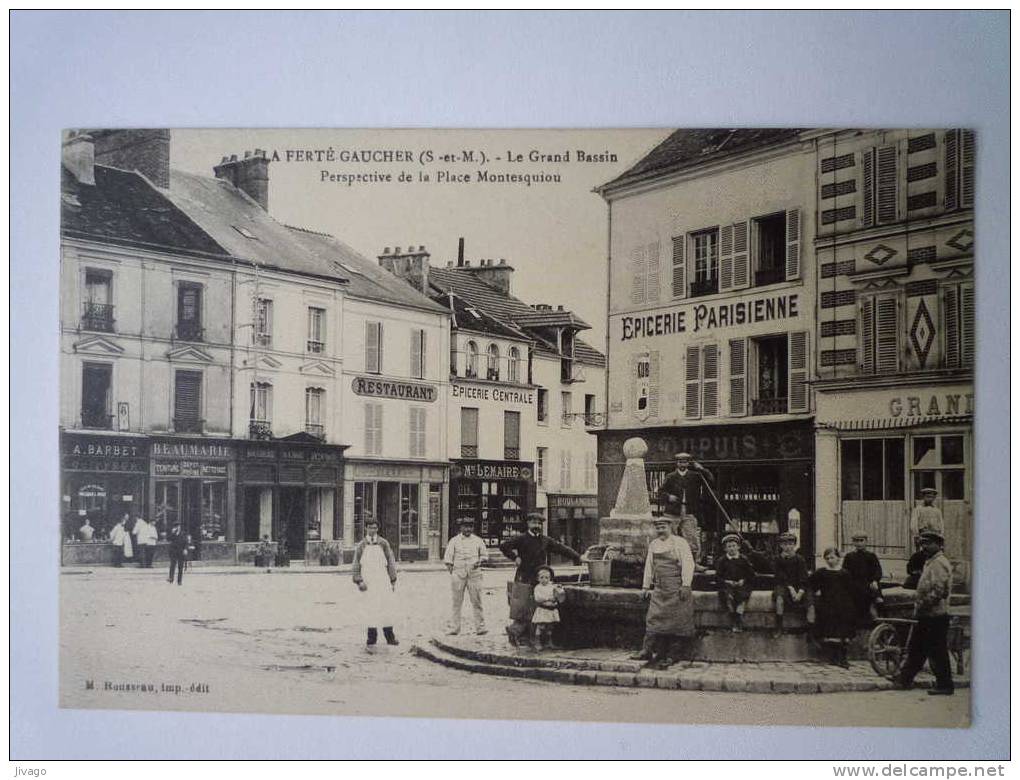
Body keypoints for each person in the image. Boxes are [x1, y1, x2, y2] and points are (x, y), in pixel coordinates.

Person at [499, 512, 582, 647]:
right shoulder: (521, 539)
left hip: (541, 577)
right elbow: (503, 546)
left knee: (537, 607)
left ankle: (530, 637)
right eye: (534, 523)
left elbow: (560, 548)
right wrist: (514, 557)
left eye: (539, 523)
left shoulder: (545, 540)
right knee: (523, 607)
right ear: (528, 524)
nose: (536, 525)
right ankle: (516, 633)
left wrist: (577, 556)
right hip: (524, 576)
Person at [894, 530, 954, 695]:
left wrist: (923, 604)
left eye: (928, 543)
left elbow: (939, 590)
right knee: (917, 648)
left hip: (935, 615)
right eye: (922, 543)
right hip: (927, 614)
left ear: (938, 544)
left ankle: (945, 685)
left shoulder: (939, 563)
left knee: (937, 651)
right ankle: (904, 680)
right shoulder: (930, 561)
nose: (924, 547)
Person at [632, 516, 696, 669]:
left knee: (677, 622)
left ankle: (673, 655)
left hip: (676, 588)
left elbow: (688, 564)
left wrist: (686, 585)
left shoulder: (680, 543)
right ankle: (646, 650)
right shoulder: (653, 544)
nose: (660, 530)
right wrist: (646, 587)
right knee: (653, 619)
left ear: (670, 527)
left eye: (663, 527)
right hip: (659, 589)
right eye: (658, 528)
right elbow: (649, 566)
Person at [657, 453, 714, 563]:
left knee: (691, 538)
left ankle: (692, 563)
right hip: (672, 512)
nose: (682, 464)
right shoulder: (670, 477)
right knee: (670, 537)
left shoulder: (695, 476)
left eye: (684, 462)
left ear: (688, 463)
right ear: (677, 463)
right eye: (680, 462)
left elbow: (711, 480)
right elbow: (660, 492)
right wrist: (668, 497)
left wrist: (702, 469)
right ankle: (671, 562)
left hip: (689, 511)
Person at [352, 516, 399, 648]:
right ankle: (371, 637)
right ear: (366, 528)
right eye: (370, 527)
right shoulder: (361, 545)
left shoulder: (383, 543)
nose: (372, 530)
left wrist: (392, 580)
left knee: (386, 608)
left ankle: (390, 637)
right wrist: (359, 581)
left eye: (375, 527)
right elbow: (356, 564)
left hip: (382, 579)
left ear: (378, 528)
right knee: (370, 608)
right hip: (368, 580)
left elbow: (390, 561)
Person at [807, 547, 856, 668]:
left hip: (843, 606)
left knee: (843, 632)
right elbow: (810, 584)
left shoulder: (844, 573)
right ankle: (833, 657)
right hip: (828, 605)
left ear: (838, 558)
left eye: (832, 557)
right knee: (830, 631)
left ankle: (843, 658)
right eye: (827, 558)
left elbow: (851, 590)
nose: (830, 560)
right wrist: (816, 593)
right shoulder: (822, 572)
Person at [444, 517, 488, 636]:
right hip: (458, 574)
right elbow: (448, 559)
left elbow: (485, 556)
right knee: (456, 602)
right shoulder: (454, 541)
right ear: (461, 527)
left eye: (470, 526)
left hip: (474, 574)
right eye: (465, 526)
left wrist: (480, 561)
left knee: (477, 601)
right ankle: (455, 628)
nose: (468, 529)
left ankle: (481, 627)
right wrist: (453, 572)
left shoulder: (478, 540)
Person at [770, 531, 810, 636]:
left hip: (799, 586)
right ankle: (779, 627)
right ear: (780, 545)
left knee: (810, 601)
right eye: (785, 544)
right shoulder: (777, 559)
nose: (788, 547)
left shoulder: (800, 559)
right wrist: (791, 589)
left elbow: (804, 577)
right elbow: (780, 576)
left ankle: (810, 629)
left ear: (794, 545)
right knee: (779, 598)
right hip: (783, 585)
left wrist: (800, 592)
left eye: (790, 544)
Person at [715, 533, 755, 632]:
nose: (732, 549)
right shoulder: (722, 561)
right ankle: (734, 619)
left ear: (738, 547)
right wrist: (727, 581)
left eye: (734, 546)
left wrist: (743, 580)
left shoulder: (743, 559)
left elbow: (751, 574)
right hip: (727, 585)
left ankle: (738, 618)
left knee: (742, 597)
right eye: (729, 547)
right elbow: (718, 577)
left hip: (742, 585)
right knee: (729, 597)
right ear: (725, 549)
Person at [843, 533, 884, 625]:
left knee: (873, 601)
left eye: (861, 541)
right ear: (853, 542)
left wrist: (874, 580)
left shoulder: (871, 556)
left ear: (866, 542)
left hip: (868, 583)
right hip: (854, 584)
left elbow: (878, 571)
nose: (859, 543)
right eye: (856, 541)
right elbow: (845, 572)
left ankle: (878, 622)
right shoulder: (849, 556)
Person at [531, 565, 565, 651]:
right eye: (541, 577)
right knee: (541, 626)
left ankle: (549, 642)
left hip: (551, 609)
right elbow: (537, 598)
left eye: (546, 577)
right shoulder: (538, 588)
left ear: (550, 578)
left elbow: (557, 594)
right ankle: (537, 641)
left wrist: (559, 591)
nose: (544, 580)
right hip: (543, 609)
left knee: (550, 626)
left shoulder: (552, 586)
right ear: (538, 579)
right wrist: (548, 598)